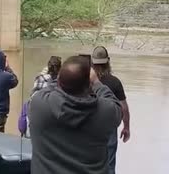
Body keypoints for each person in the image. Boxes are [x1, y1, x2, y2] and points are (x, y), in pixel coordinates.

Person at [29, 56, 122, 174]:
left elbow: (47, 88)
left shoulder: (39, 105)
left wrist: (63, 75)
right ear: (89, 85)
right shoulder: (105, 112)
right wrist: (97, 83)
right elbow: (116, 105)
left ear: (59, 81)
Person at [92, 46, 130, 174]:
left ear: (92, 62)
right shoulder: (115, 82)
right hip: (109, 128)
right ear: (108, 61)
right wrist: (126, 127)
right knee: (109, 165)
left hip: (88, 128)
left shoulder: (86, 82)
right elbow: (124, 107)